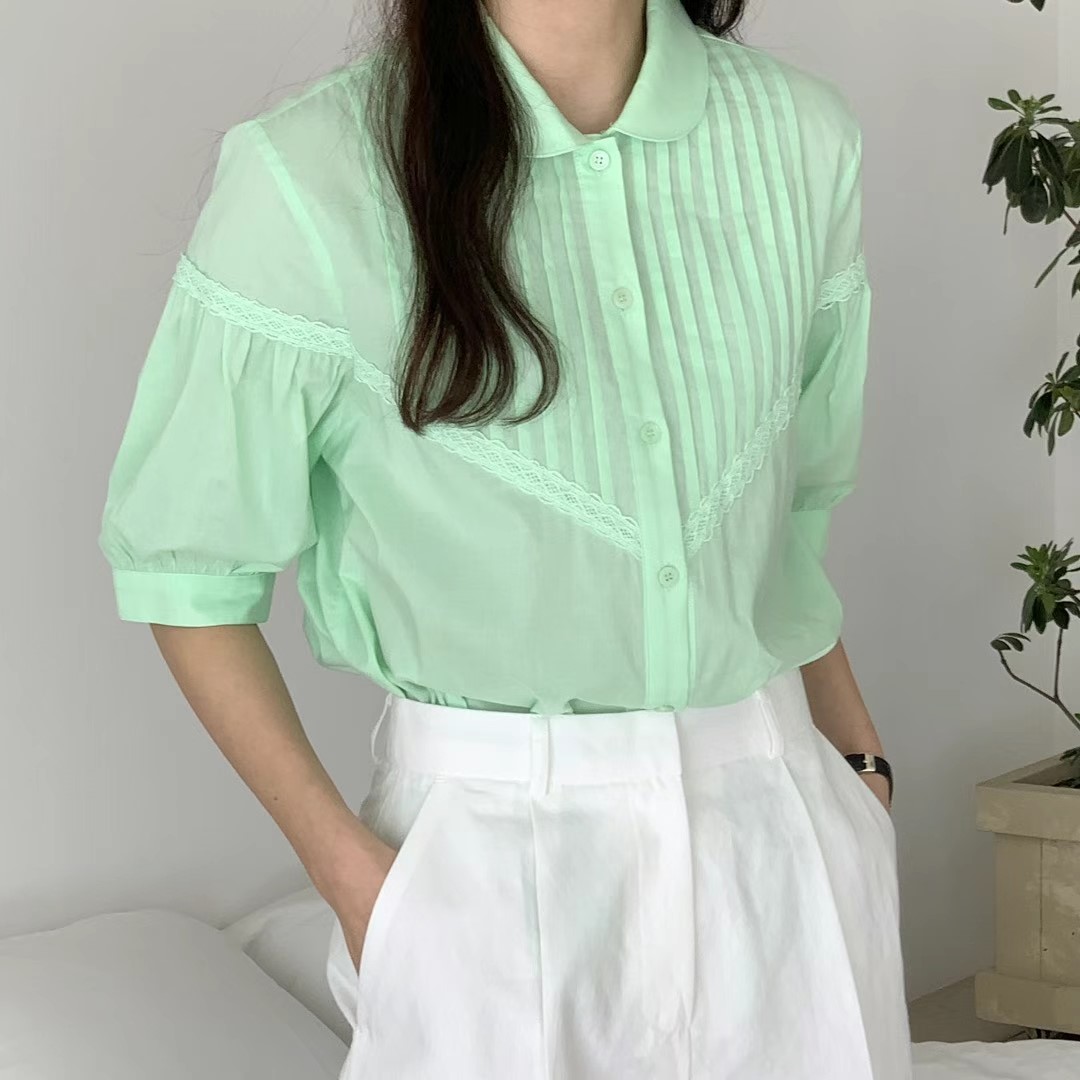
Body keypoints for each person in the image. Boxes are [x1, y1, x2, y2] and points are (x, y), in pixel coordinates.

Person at [97, 0, 912, 1076]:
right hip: (485, 866)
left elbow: (790, 516)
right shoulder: (306, 175)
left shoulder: (804, 138)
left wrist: (860, 771)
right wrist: (355, 882)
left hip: (783, 839)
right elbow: (189, 579)